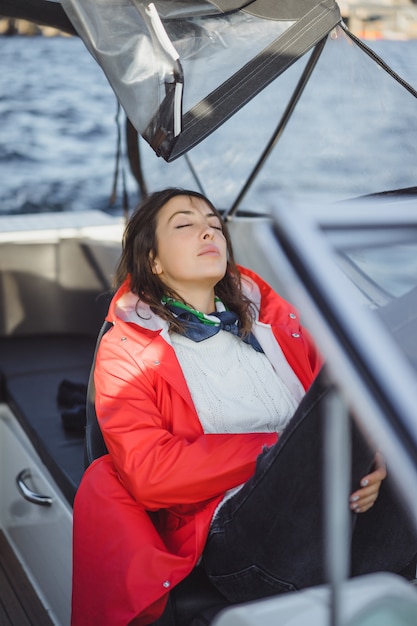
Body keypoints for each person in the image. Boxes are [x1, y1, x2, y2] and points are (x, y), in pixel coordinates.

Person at [71, 188, 415, 626]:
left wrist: (378, 463)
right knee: (367, 363)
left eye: (215, 224)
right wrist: (280, 452)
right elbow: (150, 473)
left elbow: (351, 416)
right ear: (153, 260)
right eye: (185, 224)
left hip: (350, 528)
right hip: (246, 550)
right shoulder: (126, 352)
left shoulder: (277, 322)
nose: (208, 231)